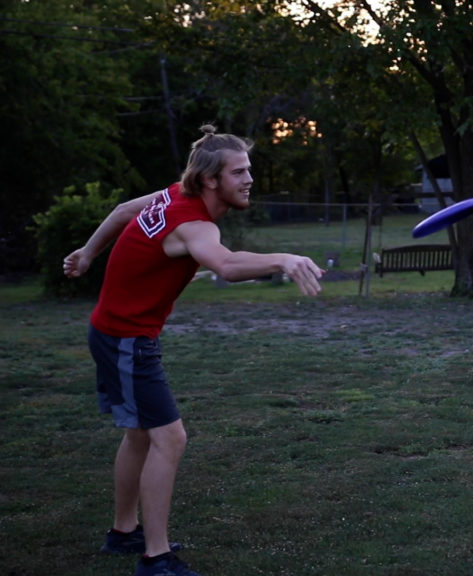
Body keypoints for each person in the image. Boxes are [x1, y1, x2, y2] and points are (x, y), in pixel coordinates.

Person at [64, 125, 324, 576]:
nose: (249, 180)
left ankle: (123, 533)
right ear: (209, 179)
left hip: (114, 332)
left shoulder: (173, 197)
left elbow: (125, 209)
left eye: (249, 170)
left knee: (140, 434)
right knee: (169, 438)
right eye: (238, 172)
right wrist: (282, 258)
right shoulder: (193, 223)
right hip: (126, 339)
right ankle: (156, 557)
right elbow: (224, 263)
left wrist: (88, 253)